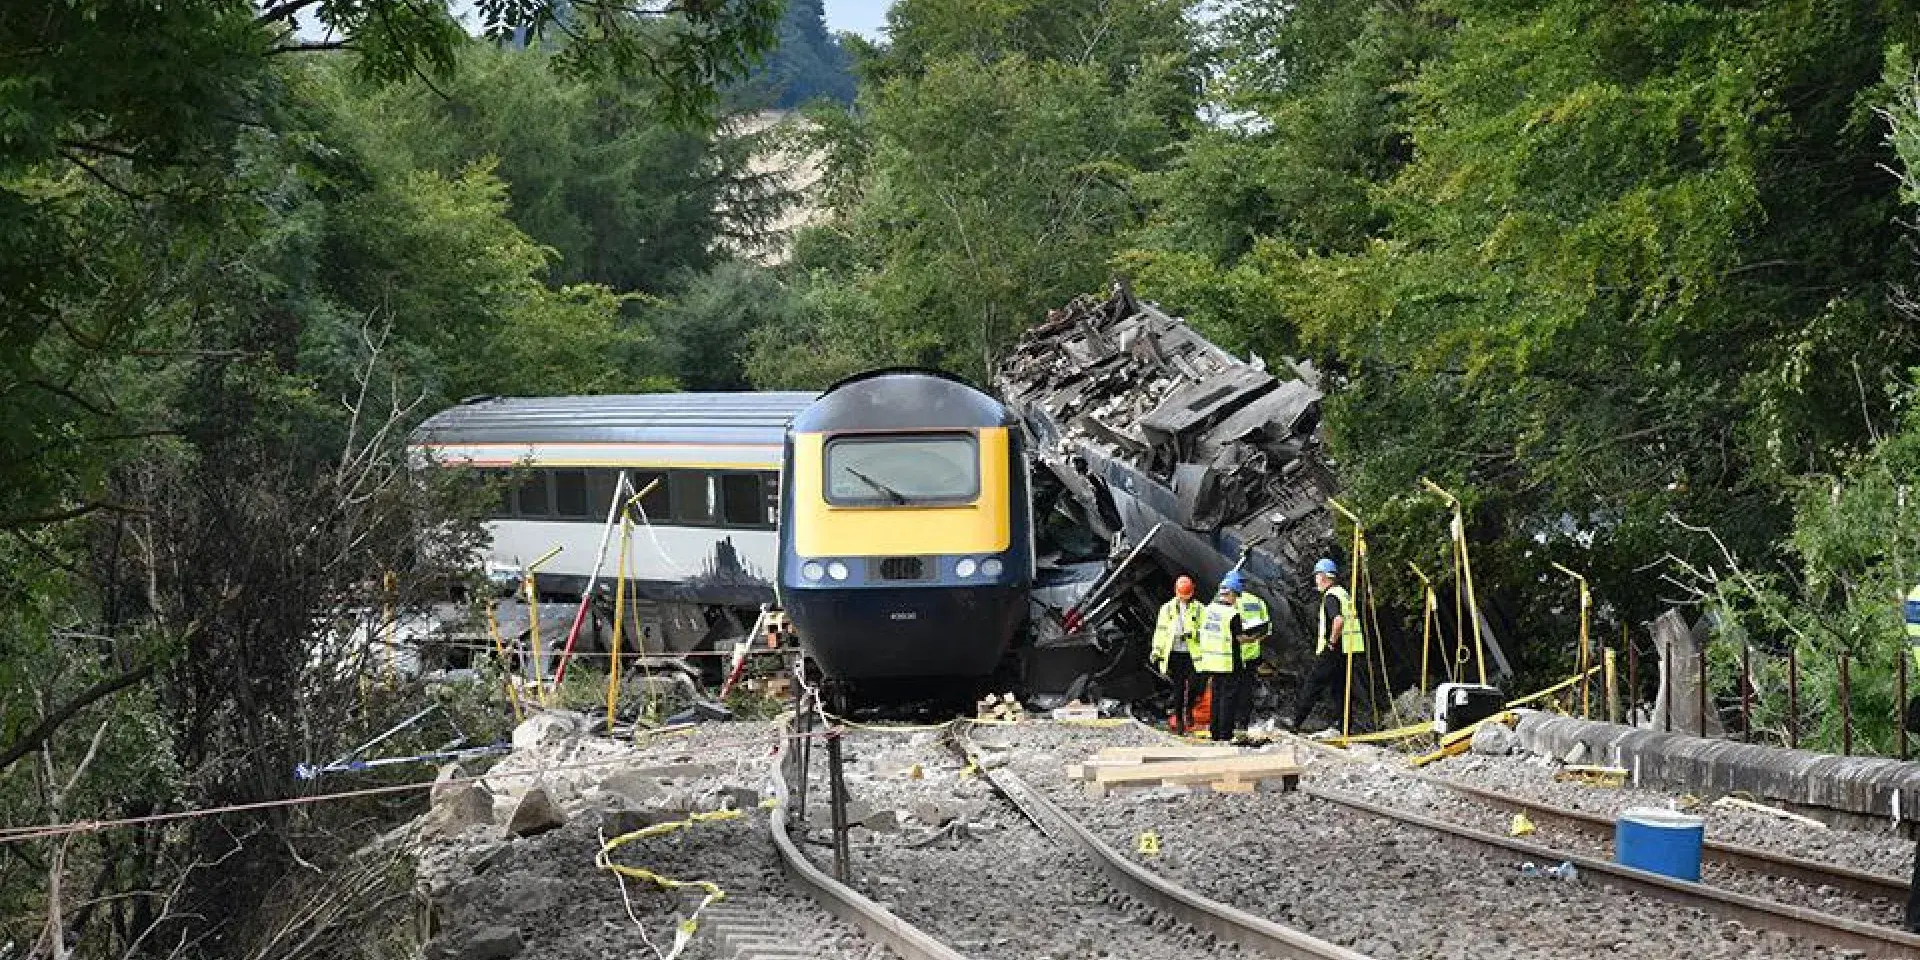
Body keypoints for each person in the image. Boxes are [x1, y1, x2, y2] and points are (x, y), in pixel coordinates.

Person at [1288, 558, 1363, 732]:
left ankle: (1296, 723)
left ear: (1324, 577)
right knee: (1340, 689)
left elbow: (1338, 621)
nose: (1315, 580)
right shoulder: (1344, 594)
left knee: (1313, 684)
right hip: (1347, 649)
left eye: (1317, 576)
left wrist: (1330, 642)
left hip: (1334, 649)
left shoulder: (1331, 596)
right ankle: (1345, 727)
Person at [1150, 575, 1206, 733]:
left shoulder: (1200, 609)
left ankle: (1189, 709)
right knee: (1178, 687)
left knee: (1195, 685)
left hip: (1192, 653)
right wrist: (1156, 650)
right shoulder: (1167, 609)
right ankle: (1180, 719)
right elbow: (1160, 632)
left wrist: (1193, 633)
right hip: (1174, 652)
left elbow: (1205, 630)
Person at [1220, 570, 1271, 737]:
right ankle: (1243, 723)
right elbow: (1267, 629)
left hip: (1233, 655)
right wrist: (1255, 639)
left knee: (1229, 691)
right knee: (1246, 691)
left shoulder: (1229, 602)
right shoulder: (1258, 602)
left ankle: (1229, 724)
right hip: (1251, 655)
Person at [1195, 579, 1247, 742]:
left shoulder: (1208, 609)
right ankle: (1225, 734)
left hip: (1211, 660)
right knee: (1228, 699)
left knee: (1216, 697)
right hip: (1228, 661)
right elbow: (1240, 638)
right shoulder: (1232, 614)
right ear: (1231, 594)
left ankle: (1215, 732)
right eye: (1236, 596)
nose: (1236, 600)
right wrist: (1256, 637)